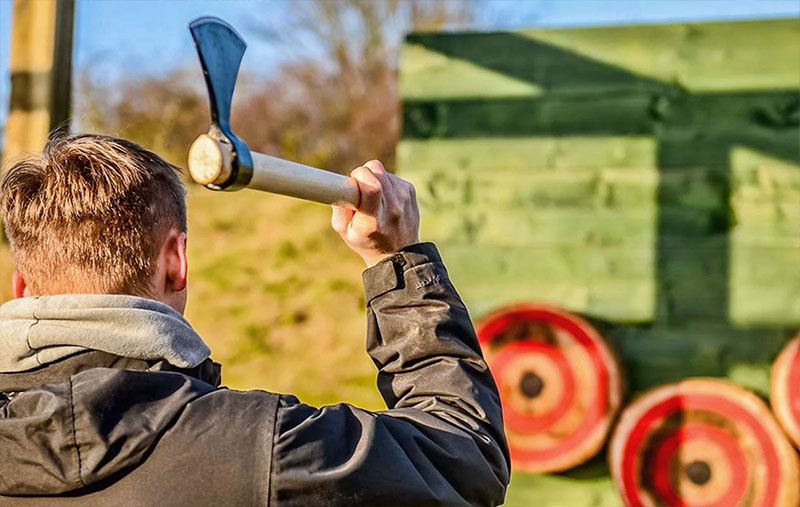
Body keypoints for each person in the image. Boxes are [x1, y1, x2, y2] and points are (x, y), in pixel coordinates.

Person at [0, 134, 509, 506]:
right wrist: (397, 262)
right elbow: (463, 458)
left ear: (21, 286)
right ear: (176, 261)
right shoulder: (257, 445)